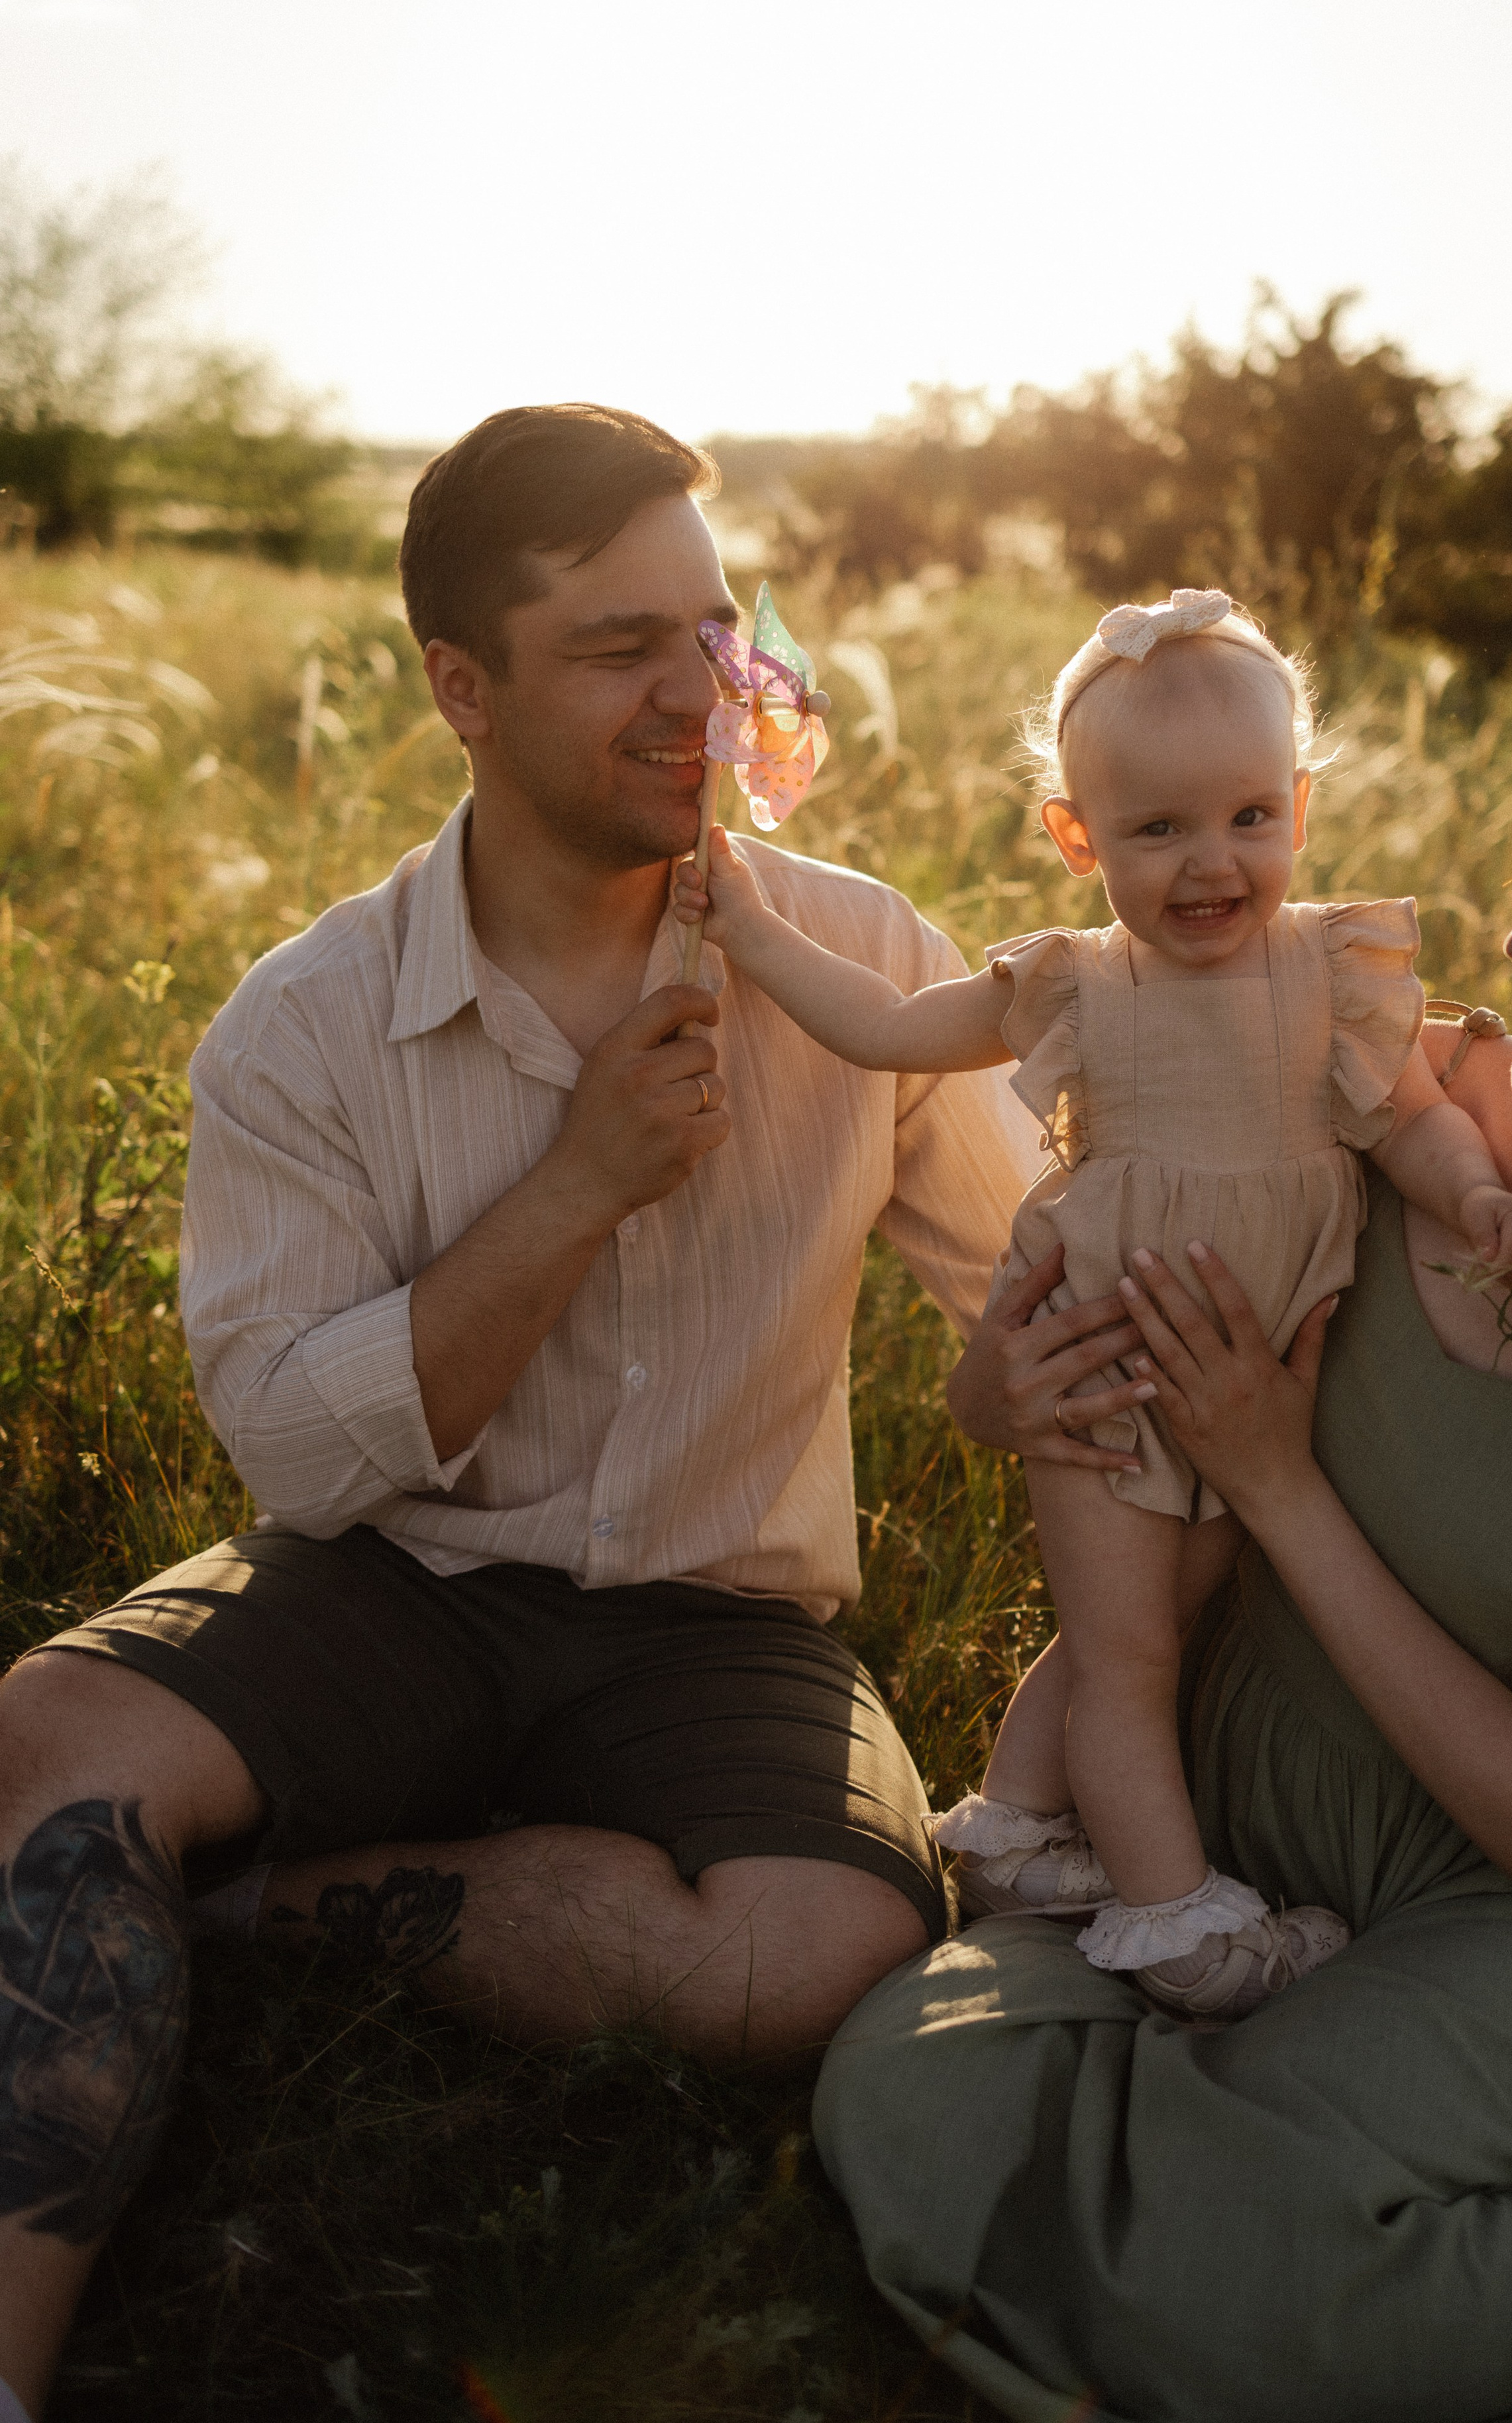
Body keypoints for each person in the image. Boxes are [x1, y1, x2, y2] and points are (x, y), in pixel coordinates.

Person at [0, 404, 1040, 2421]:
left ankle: (259, 1900)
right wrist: (573, 1185)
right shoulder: (304, 1028)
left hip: (721, 1615)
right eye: (621, 645)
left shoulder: (865, 960)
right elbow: (300, 1462)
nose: (701, 694)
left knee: (824, 1945)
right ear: (458, 688)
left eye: (717, 632)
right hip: (398, 1575)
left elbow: (1029, 1287)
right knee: (49, 1743)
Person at [813, 704, 1512, 2423]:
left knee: (1237, 2268)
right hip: (1210, 1822)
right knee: (897, 2093)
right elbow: (1074, 1362)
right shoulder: (1390, 1088)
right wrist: (1007, 1377)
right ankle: (1333, 2221)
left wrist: (1282, 1485)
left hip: (1495, 1911)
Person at [673, 587, 1512, 2016]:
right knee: (1132, 1652)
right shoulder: (1074, 983)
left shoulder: (1330, 968)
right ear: (1075, 835)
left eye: (1247, 818)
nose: (1212, 864)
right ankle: (1175, 1924)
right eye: (1156, 831)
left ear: (1298, 809)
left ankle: (1016, 1832)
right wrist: (756, 934)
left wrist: (1470, 1197)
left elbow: (1406, 1120)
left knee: (1153, 1619)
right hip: (1108, 1352)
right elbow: (890, 1031)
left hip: (1254, 1375)